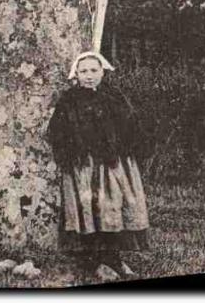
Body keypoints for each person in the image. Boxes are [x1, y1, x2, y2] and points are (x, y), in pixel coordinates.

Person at [47, 50, 150, 283]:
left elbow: (130, 124)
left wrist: (124, 149)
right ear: (76, 74)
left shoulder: (114, 96)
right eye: (83, 71)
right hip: (83, 167)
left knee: (111, 208)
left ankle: (114, 258)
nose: (89, 76)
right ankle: (92, 261)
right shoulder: (69, 100)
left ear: (102, 72)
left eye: (94, 70)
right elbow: (56, 131)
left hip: (111, 166)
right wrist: (70, 153)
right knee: (88, 210)